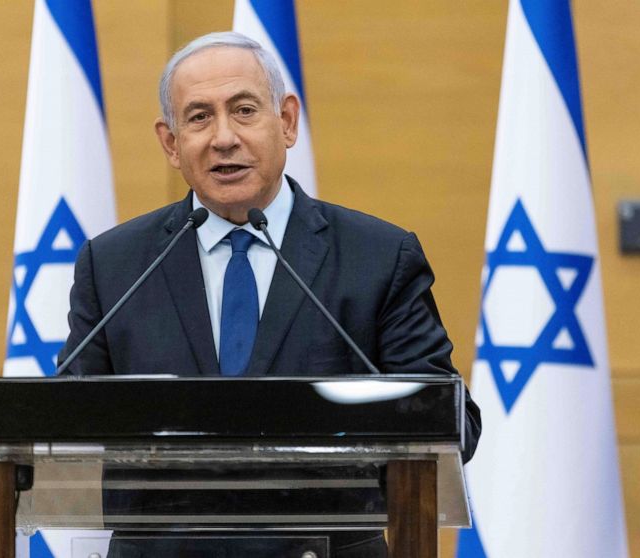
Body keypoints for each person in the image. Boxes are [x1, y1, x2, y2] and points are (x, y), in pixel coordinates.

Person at [58, 31, 480, 558]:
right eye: (199, 118)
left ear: (286, 121)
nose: (224, 137)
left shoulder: (377, 256)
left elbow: (452, 422)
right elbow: (63, 422)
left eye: (243, 110)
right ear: (171, 143)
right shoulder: (114, 265)